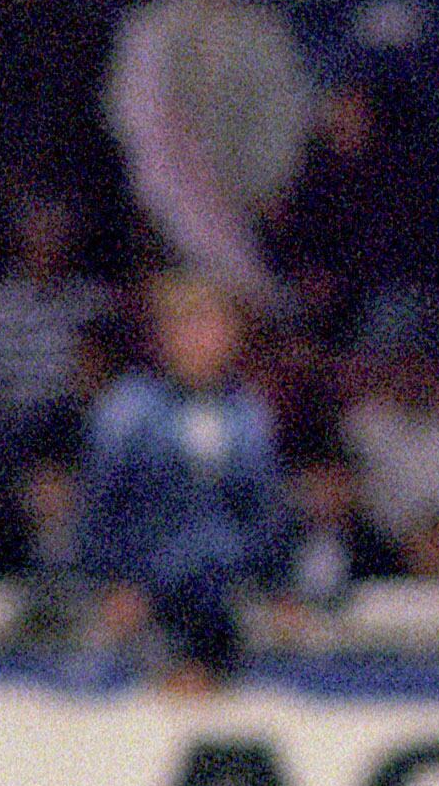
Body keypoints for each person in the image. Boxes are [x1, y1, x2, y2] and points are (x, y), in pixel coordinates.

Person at [77, 273, 284, 688]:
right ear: (162, 336)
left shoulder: (249, 414)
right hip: (145, 604)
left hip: (226, 606)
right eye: (184, 325)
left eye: (209, 324)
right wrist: (113, 583)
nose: (197, 338)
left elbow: (265, 513)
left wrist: (277, 587)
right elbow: (99, 506)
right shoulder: (128, 408)